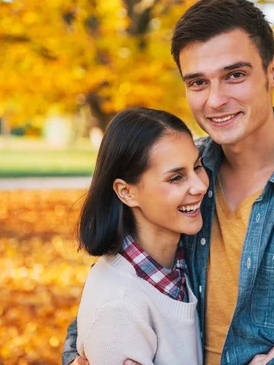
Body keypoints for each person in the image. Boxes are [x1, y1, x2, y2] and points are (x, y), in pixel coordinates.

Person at [64, 0, 274, 365]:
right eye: (198, 82)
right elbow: (116, 289)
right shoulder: (178, 172)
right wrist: (79, 355)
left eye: (235, 75)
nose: (215, 100)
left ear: (273, 71)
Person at [74, 107, 207, 364]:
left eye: (198, 166)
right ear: (127, 192)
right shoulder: (118, 308)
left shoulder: (179, 266)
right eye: (176, 177)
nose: (200, 186)